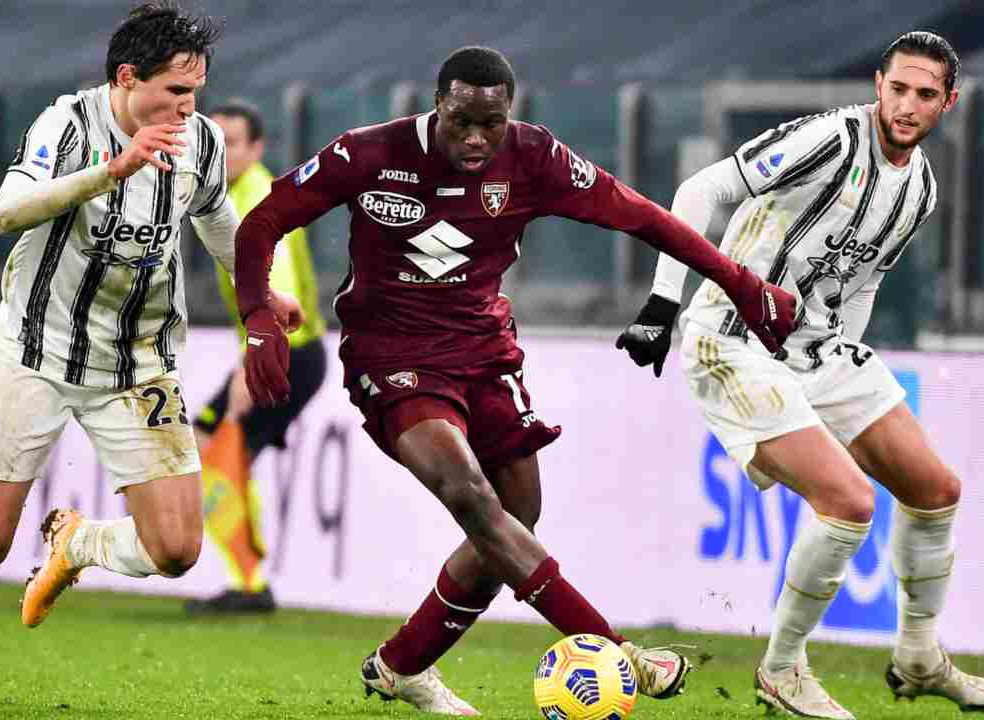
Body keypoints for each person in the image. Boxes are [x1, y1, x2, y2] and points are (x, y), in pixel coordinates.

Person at [235, 46, 798, 715]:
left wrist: (742, 284)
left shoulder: (537, 158)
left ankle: (402, 665)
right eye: (462, 121)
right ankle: (617, 653)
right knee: (473, 496)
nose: (476, 138)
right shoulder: (369, 152)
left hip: (483, 354)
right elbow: (262, 221)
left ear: (510, 113)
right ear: (438, 103)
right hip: (392, 358)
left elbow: (644, 216)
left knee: (515, 517)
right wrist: (258, 316)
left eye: (492, 123)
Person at [616, 31, 984, 718]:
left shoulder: (919, 189)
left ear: (948, 103)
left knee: (936, 488)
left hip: (813, 348)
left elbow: (860, 285)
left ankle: (918, 655)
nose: (907, 105)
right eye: (898, 88)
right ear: (878, 85)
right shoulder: (831, 139)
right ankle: (783, 669)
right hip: (728, 340)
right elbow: (703, 188)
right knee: (851, 504)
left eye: (925, 94)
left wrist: (830, 365)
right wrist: (661, 302)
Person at [0, 3, 298, 701]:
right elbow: (5, 212)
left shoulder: (200, 143)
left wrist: (261, 293)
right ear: (128, 79)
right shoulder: (66, 125)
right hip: (36, 351)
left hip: (138, 363)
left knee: (179, 550)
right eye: (177, 93)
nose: (190, 109)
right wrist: (110, 171)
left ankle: (79, 545)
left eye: (197, 93)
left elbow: (218, 218)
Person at [185, 101, 328, 614]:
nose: (218, 153)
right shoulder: (239, 194)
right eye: (212, 140)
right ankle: (248, 579)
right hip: (284, 354)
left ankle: (249, 585)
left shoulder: (257, 205)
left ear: (257, 148)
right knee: (215, 451)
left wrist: (252, 370)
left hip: (288, 355)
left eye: (231, 142)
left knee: (221, 453)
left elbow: (277, 296)